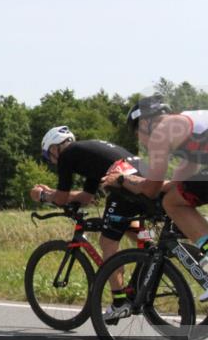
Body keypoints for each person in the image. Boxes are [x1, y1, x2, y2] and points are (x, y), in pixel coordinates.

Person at [101, 96, 208, 300]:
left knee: (172, 203)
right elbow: (176, 183)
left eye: (136, 133)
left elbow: (151, 189)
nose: (139, 140)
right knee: (176, 199)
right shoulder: (184, 129)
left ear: (145, 123)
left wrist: (122, 179)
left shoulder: (162, 131)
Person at [30, 126, 144, 310]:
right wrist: (52, 192)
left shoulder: (66, 156)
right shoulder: (87, 156)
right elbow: (86, 198)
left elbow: (60, 198)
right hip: (145, 176)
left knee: (107, 242)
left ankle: (119, 302)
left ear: (54, 148)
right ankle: (149, 257)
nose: (51, 161)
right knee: (126, 225)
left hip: (125, 185)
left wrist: (43, 196)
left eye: (48, 157)